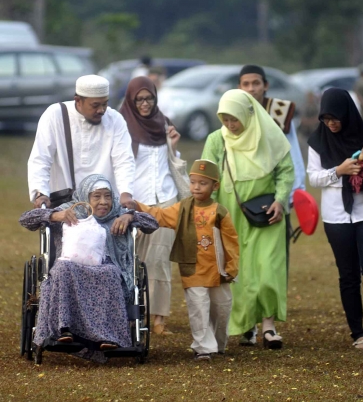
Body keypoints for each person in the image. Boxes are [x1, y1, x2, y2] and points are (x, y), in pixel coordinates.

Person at [19, 174, 158, 361]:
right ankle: (64, 330)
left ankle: (106, 336)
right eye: (97, 196)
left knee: (110, 273)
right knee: (63, 269)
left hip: (104, 267)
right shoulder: (71, 210)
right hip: (71, 266)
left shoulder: (117, 213)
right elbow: (26, 219)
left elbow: (152, 223)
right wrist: (54, 215)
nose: (103, 202)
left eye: (108, 196)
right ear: (86, 197)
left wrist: (129, 215)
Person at [202, 89, 294, 348]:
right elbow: (207, 177)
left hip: (268, 215)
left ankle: (268, 325)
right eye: (225, 119)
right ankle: (246, 326)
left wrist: (280, 200)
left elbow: (286, 171)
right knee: (239, 273)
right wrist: (211, 214)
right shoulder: (216, 140)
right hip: (229, 216)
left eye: (235, 118)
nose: (231, 125)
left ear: (247, 114)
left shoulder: (269, 136)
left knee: (267, 270)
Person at [307, 88, 363, 351]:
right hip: (336, 215)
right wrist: (339, 171)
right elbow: (313, 177)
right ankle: (358, 333)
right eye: (325, 119)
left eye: (335, 118)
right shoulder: (317, 140)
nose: (330, 124)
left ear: (347, 113)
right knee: (348, 276)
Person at [135, 160, 239, 361]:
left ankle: (218, 344)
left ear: (214, 186)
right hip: (192, 268)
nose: (196, 187)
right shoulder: (183, 208)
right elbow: (161, 216)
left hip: (218, 270)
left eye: (203, 183)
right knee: (198, 307)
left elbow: (231, 242)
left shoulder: (220, 211)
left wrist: (231, 267)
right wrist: (136, 206)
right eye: (193, 182)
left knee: (222, 307)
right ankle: (203, 348)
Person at [119, 76, 182, 336]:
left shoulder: (164, 123)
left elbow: (172, 162)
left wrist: (173, 147)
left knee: (159, 262)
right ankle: (131, 313)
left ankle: (158, 319)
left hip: (166, 199)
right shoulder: (121, 125)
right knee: (131, 261)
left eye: (149, 98)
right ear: (131, 100)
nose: (145, 104)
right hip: (135, 202)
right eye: (140, 99)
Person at [28, 74, 136, 210]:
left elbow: (124, 161)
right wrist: (40, 192)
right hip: (64, 207)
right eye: (95, 105)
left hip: (105, 208)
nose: (101, 110)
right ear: (78, 101)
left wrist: (126, 193)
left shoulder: (115, 119)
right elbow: (41, 159)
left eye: (105, 104)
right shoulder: (55, 115)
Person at [238, 64, 306, 273]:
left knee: (277, 251)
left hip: (277, 190)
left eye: (256, 83)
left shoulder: (280, 112)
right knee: (246, 250)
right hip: (244, 191)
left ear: (265, 85)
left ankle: (277, 302)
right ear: (239, 87)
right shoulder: (234, 110)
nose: (251, 88)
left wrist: (294, 191)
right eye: (246, 84)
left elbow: (292, 151)